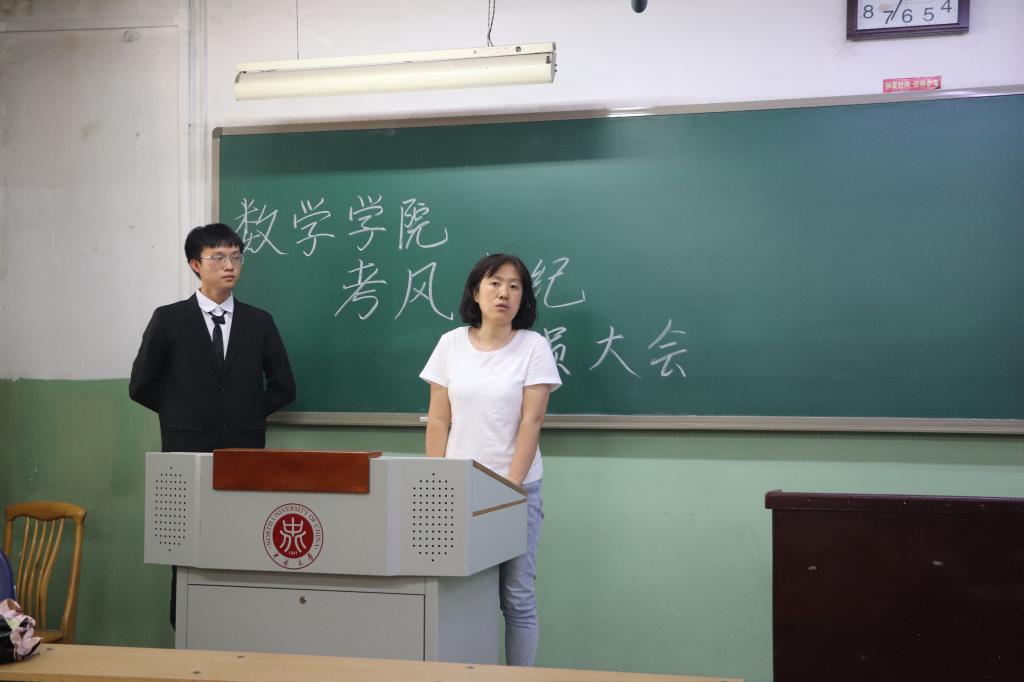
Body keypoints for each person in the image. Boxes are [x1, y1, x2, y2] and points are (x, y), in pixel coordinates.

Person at [419, 253, 561, 666]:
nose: (504, 293)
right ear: (476, 292)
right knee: (460, 593)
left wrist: (511, 486)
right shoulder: (450, 344)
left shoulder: (533, 347)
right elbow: (439, 419)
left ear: (523, 298)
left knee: (517, 597)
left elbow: (532, 421)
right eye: (495, 283)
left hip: (516, 489)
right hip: (460, 489)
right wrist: (437, 480)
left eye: (515, 286)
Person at [129, 223, 296, 452]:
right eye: (218, 257)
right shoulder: (168, 319)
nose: (229, 266)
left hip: (243, 444)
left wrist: (247, 413)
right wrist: (180, 413)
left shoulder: (259, 322)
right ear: (196, 264)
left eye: (236, 257)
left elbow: (284, 387)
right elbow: (141, 386)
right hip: (186, 443)